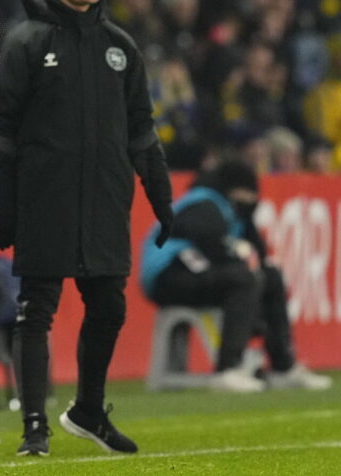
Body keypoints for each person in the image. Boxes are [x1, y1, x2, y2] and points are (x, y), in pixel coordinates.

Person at [0, 0, 174, 457]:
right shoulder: (26, 43)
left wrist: (161, 199)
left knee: (109, 308)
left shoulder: (120, 48)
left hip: (104, 200)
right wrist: (0, 208)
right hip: (45, 200)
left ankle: (89, 411)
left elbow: (142, 131)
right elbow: (2, 133)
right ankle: (33, 428)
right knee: (36, 310)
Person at [140, 160, 332, 392]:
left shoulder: (232, 211)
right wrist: (239, 258)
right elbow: (210, 244)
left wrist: (248, 220)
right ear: (237, 188)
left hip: (195, 273)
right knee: (244, 279)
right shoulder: (203, 203)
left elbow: (256, 253)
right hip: (167, 275)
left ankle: (283, 367)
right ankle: (228, 368)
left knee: (270, 276)